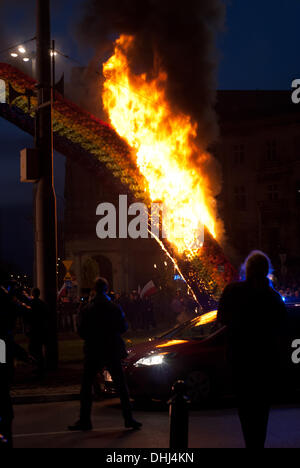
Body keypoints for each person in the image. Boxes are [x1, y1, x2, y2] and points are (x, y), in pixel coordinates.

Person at [217, 251, 287, 448]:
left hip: (240, 361)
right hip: (264, 362)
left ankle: (251, 444)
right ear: (266, 271)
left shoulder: (233, 291)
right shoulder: (272, 297)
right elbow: (283, 328)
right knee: (261, 412)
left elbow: (221, 318)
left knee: (245, 411)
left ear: (247, 269)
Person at [69, 277, 142, 432]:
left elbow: (81, 330)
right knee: (121, 386)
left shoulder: (87, 308)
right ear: (107, 289)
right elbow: (123, 327)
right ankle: (128, 419)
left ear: (94, 290)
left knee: (86, 387)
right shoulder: (114, 308)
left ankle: (84, 420)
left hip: (93, 349)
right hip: (111, 349)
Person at [27, 288, 49, 378]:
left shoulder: (31, 303)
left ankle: (39, 368)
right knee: (39, 350)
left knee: (33, 349)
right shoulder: (42, 304)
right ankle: (41, 368)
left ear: (32, 294)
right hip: (41, 329)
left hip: (34, 330)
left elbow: (28, 317)